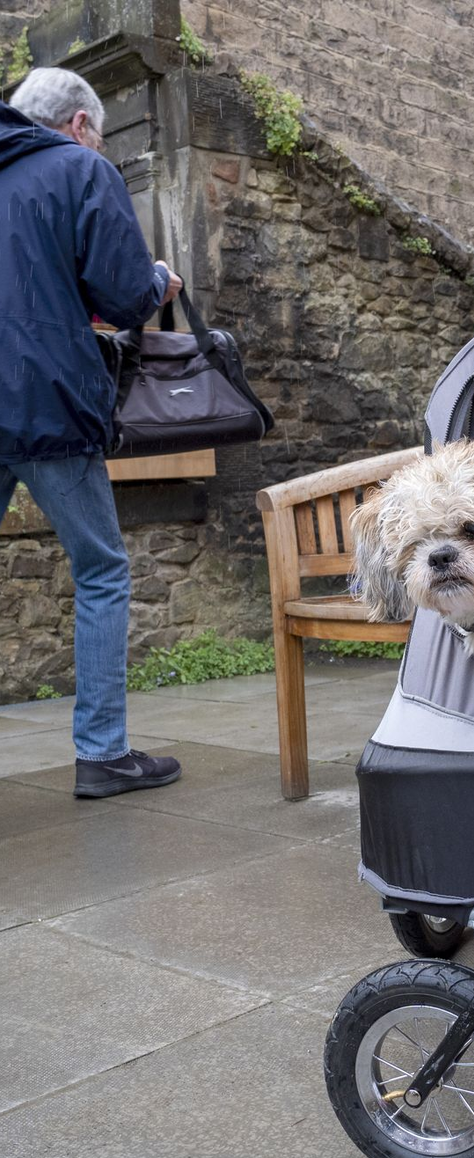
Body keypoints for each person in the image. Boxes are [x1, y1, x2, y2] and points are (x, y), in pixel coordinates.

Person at [1, 68, 185, 798]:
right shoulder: (83, 170)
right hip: (46, 401)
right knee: (102, 569)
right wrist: (157, 281)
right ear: (79, 125)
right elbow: (121, 293)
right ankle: (104, 753)